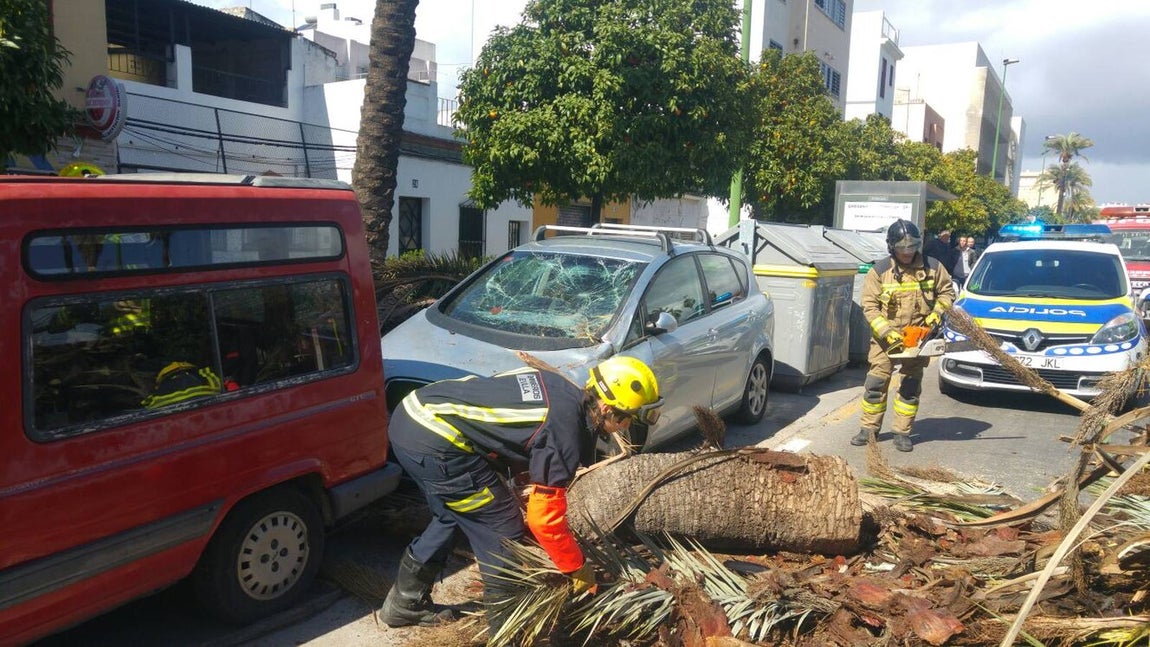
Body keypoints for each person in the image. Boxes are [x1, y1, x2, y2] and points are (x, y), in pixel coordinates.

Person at [376, 356, 664, 629]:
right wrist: (576, 567)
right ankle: (505, 631)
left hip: (412, 418)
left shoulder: (557, 387)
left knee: (454, 516)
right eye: (626, 419)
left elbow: (510, 431)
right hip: (436, 443)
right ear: (605, 408)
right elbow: (543, 520)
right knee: (502, 529)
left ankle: (404, 604)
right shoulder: (563, 432)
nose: (625, 427)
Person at [851, 219, 955, 452]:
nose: (907, 254)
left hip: (918, 337)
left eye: (911, 249)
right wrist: (887, 333)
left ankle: (902, 432)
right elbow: (869, 306)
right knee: (876, 383)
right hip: (885, 339)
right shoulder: (879, 271)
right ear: (892, 248)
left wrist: (936, 314)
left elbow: (947, 293)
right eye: (902, 250)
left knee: (910, 384)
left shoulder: (933, 268)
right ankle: (868, 429)